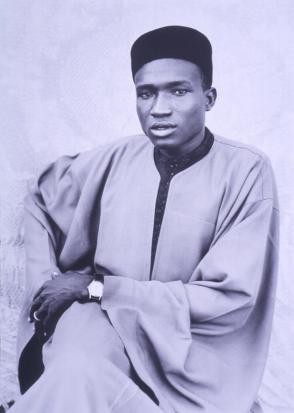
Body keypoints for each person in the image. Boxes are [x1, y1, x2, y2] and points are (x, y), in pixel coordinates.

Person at [10, 26, 279, 413]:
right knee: (76, 369)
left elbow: (228, 296)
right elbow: (42, 200)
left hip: (188, 347)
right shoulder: (116, 158)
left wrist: (99, 287)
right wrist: (49, 286)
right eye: (146, 93)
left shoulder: (247, 172)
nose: (159, 108)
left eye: (179, 91)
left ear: (209, 97)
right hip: (102, 322)